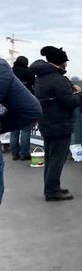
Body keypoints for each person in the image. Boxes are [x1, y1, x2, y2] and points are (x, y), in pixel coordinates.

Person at [32, 46, 82, 201]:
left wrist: (70, 87)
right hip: (59, 124)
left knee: (50, 158)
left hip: (46, 122)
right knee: (57, 159)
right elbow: (70, 102)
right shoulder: (57, 78)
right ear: (59, 62)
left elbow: (56, 95)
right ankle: (52, 192)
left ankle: (51, 187)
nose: (66, 64)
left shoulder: (42, 76)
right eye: (65, 62)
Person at [0, 58, 42, 203]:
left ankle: (14, 152)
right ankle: (24, 153)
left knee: (14, 134)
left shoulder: (11, 70)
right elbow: (32, 109)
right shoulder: (6, 69)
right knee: (24, 132)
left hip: (12, 107)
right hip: (17, 108)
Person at [10, 56, 36, 160]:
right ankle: (24, 154)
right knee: (25, 130)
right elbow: (35, 87)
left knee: (14, 130)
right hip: (25, 103)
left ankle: (14, 153)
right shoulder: (29, 73)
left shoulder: (10, 72)